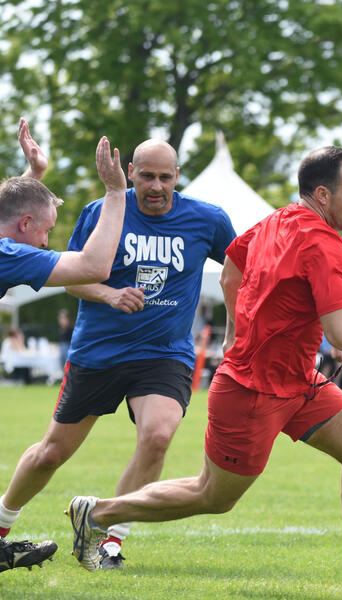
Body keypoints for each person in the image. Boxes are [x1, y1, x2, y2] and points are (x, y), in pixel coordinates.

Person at [66, 146, 342, 596]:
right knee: (213, 496)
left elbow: (230, 272)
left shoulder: (277, 220)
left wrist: (235, 333)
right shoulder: (324, 244)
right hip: (251, 392)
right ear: (322, 194)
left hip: (299, 382)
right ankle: (99, 512)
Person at [0, 137, 236, 570]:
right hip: (99, 351)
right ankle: (1, 524)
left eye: (166, 177)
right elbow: (74, 275)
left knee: (158, 436)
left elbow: (239, 267)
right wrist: (108, 294)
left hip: (165, 352)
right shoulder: (102, 211)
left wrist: (236, 327)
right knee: (52, 452)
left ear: (177, 176)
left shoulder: (208, 220)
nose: (156, 185)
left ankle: (108, 538)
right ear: (130, 172)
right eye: (147, 176)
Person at [0, 118, 127, 572]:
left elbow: (9, 212)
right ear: (28, 223)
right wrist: (115, 193)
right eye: (46, 231)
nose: (46, 243)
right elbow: (94, 265)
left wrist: (31, 175)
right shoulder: (8, 253)